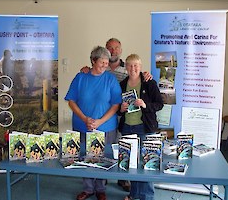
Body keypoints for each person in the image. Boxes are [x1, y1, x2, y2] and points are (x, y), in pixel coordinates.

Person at [81, 37, 152, 192]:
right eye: (110, 48)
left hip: (124, 115)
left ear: (121, 50)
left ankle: (123, 179)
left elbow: (137, 75)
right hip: (107, 114)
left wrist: (145, 74)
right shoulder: (101, 67)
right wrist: (86, 69)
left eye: (116, 48)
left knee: (123, 149)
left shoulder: (126, 68)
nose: (113, 51)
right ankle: (101, 184)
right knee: (106, 150)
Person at [65, 46, 122, 200]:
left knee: (103, 158)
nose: (105, 65)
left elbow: (116, 104)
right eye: (101, 62)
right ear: (92, 61)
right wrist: (85, 119)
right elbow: (71, 101)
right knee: (84, 157)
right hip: (82, 125)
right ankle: (88, 189)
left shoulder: (110, 79)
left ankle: (101, 188)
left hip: (106, 126)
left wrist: (100, 121)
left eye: (106, 62)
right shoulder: (80, 77)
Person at [118, 54, 163, 200]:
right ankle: (134, 194)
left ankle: (147, 197)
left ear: (141, 67)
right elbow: (118, 107)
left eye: (136, 65)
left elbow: (159, 104)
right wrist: (121, 108)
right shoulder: (122, 84)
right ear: (126, 67)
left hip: (144, 128)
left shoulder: (149, 83)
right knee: (132, 165)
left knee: (147, 163)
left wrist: (145, 105)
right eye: (130, 65)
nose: (133, 68)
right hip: (127, 128)